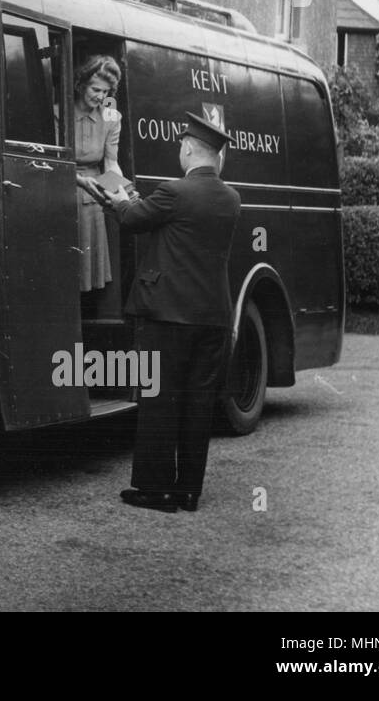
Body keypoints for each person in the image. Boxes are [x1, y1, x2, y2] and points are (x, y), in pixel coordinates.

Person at [100, 112, 241, 513]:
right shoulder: (231, 199)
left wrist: (117, 198)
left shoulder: (174, 192)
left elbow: (131, 218)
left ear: (189, 149)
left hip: (167, 317)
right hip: (212, 317)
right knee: (199, 404)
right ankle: (188, 491)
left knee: (159, 399)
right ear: (217, 157)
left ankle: (156, 489)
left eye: (181, 146)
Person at [73, 55, 123, 292]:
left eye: (106, 92)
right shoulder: (58, 112)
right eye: (95, 89)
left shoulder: (112, 118)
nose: (100, 97)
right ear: (81, 84)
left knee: (87, 279)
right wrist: (78, 180)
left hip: (91, 198)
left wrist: (124, 193)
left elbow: (111, 163)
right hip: (63, 190)